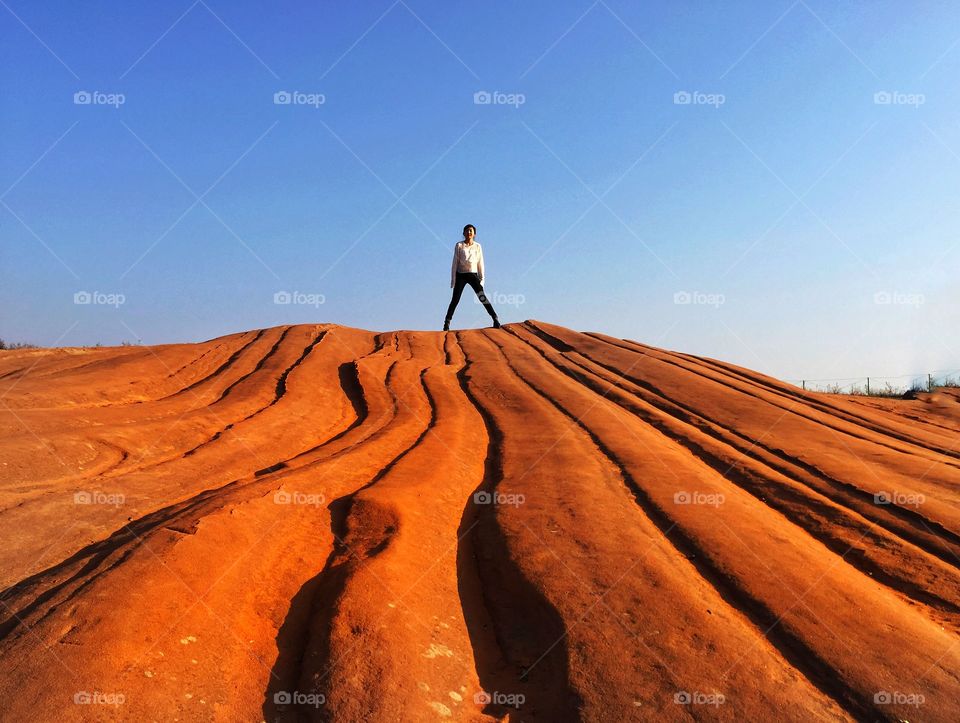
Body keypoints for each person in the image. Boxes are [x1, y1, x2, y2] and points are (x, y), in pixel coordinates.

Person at [444, 224, 500, 331]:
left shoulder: (478, 246)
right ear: (463, 233)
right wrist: (453, 280)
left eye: (471, 231)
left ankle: (495, 318)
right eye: (467, 231)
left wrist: (482, 279)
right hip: (461, 275)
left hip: (473, 274)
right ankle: (447, 322)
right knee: (455, 299)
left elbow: (480, 263)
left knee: (482, 297)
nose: (469, 233)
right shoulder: (459, 245)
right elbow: (454, 263)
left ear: (474, 234)